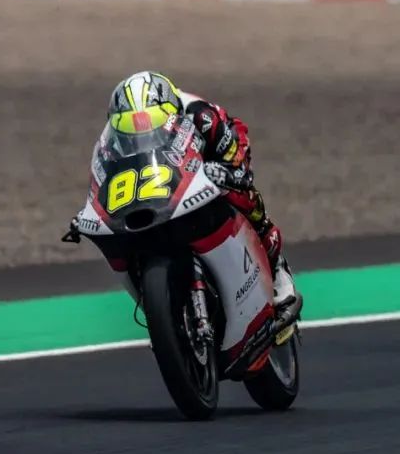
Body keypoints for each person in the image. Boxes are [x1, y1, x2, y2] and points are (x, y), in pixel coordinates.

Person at [103, 71, 302, 314]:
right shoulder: (112, 141)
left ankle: (276, 264)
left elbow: (236, 164)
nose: (141, 133)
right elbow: (104, 174)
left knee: (240, 193)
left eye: (151, 123)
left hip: (219, 148)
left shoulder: (202, 116)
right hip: (160, 170)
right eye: (130, 128)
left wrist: (229, 172)